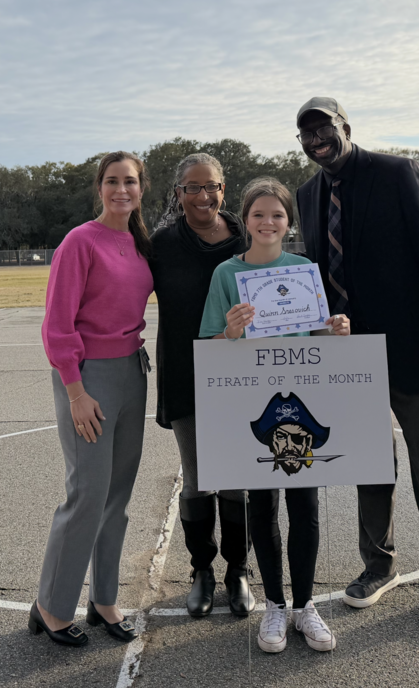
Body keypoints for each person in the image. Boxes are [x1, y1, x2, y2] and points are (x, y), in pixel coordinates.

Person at [295, 96, 419, 628]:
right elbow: (318, 277)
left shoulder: (399, 173)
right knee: (370, 466)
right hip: (351, 357)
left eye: (323, 128)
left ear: (345, 126)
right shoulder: (308, 193)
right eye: (305, 134)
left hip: (415, 351)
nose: (315, 139)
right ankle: (379, 565)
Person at [199, 177, 350, 653]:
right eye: (259, 214)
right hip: (252, 406)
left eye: (278, 215)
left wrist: (336, 330)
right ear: (245, 220)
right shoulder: (226, 274)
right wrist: (231, 330)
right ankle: (275, 606)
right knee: (261, 507)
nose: (268, 222)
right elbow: (208, 345)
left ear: (289, 222)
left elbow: (315, 336)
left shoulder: (304, 268)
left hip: (299, 406)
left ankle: (305, 606)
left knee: (304, 506)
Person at [29, 152, 154, 647]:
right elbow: (57, 324)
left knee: (116, 497)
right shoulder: (80, 241)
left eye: (129, 181)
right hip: (89, 379)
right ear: (99, 188)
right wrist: (75, 391)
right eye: (111, 181)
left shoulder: (141, 243)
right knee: (87, 494)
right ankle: (52, 606)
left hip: (132, 370)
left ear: (142, 189)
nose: (120, 189)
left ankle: (104, 600)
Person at [150, 154, 255, 618]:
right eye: (192, 188)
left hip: (243, 378)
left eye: (211, 186)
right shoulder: (163, 244)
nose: (202, 196)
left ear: (223, 190)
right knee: (197, 480)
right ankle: (202, 571)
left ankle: (238, 571)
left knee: (235, 478)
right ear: (178, 195)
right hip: (187, 374)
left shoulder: (247, 240)